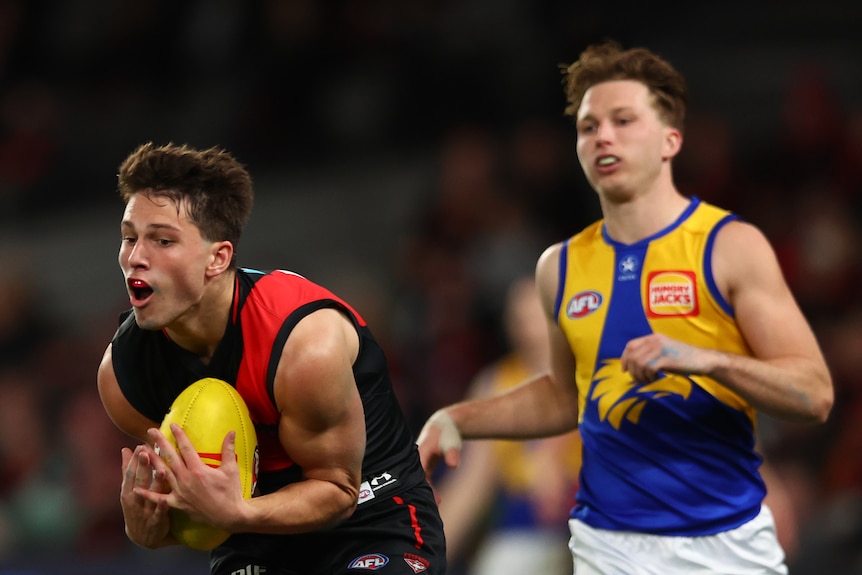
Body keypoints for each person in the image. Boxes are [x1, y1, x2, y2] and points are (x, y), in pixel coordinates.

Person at [417, 40, 834, 575]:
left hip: (726, 543)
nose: (603, 137)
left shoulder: (729, 246)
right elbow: (565, 396)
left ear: (670, 140)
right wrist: (457, 417)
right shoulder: (559, 268)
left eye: (623, 120)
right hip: (608, 546)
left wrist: (708, 360)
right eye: (589, 127)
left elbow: (814, 394)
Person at [96, 142, 446, 575]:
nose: (135, 258)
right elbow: (202, 514)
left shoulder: (303, 345)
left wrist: (237, 512)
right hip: (256, 540)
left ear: (217, 258)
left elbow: (338, 491)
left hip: (374, 518)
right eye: (129, 237)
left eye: (162, 240)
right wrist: (152, 529)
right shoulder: (124, 377)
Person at [434, 276, 580, 575]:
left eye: (540, 318)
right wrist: (423, 555)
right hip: (524, 532)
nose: (530, 331)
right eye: (520, 320)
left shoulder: (594, 376)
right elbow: (471, 483)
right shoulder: (497, 383)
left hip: (592, 521)